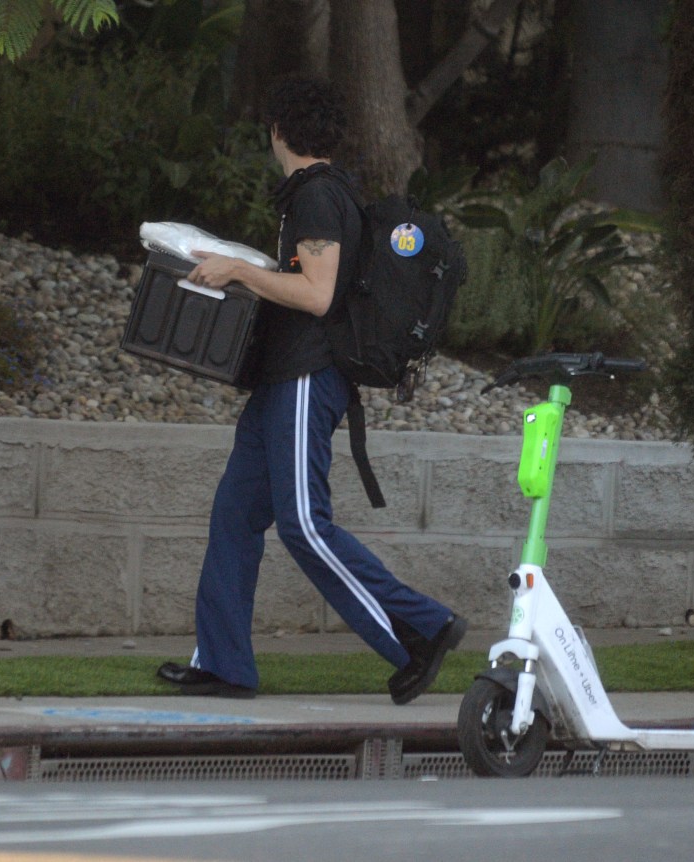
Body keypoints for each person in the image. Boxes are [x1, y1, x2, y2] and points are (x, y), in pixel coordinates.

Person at [156, 75, 466, 703]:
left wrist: (241, 269)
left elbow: (318, 296)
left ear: (278, 132)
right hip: (279, 382)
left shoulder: (319, 198)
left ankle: (420, 631)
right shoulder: (317, 195)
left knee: (303, 524)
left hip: (306, 379)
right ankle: (224, 665)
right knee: (233, 520)